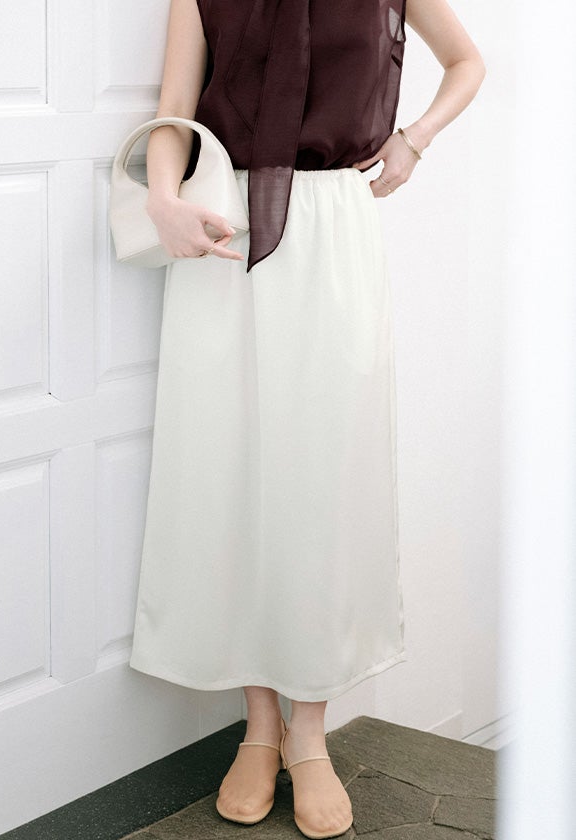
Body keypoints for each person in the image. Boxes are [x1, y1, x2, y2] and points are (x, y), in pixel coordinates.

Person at [128, 0, 485, 837]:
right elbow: (175, 108)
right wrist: (163, 198)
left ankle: (311, 732)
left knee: (323, 479)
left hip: (334, 232)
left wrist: (415, 138)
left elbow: (467, 63)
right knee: (232, 469)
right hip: (225, 232)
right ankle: (261, 727)